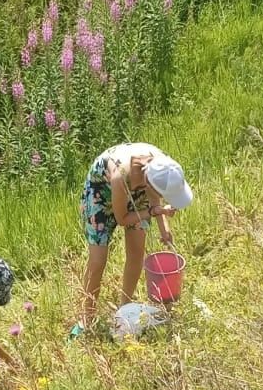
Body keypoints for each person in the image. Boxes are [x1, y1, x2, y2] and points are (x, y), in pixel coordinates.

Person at [75, 142, 193, 335]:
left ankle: (124, 311)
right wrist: (154, 211)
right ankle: (87, 317)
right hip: (101, 191)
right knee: (98, 260)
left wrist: (164, 227)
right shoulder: (120, 177)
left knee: (137, 252)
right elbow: (122, 219)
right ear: (149, 183)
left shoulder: (162, 166)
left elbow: (155, 195)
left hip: (138, 189)